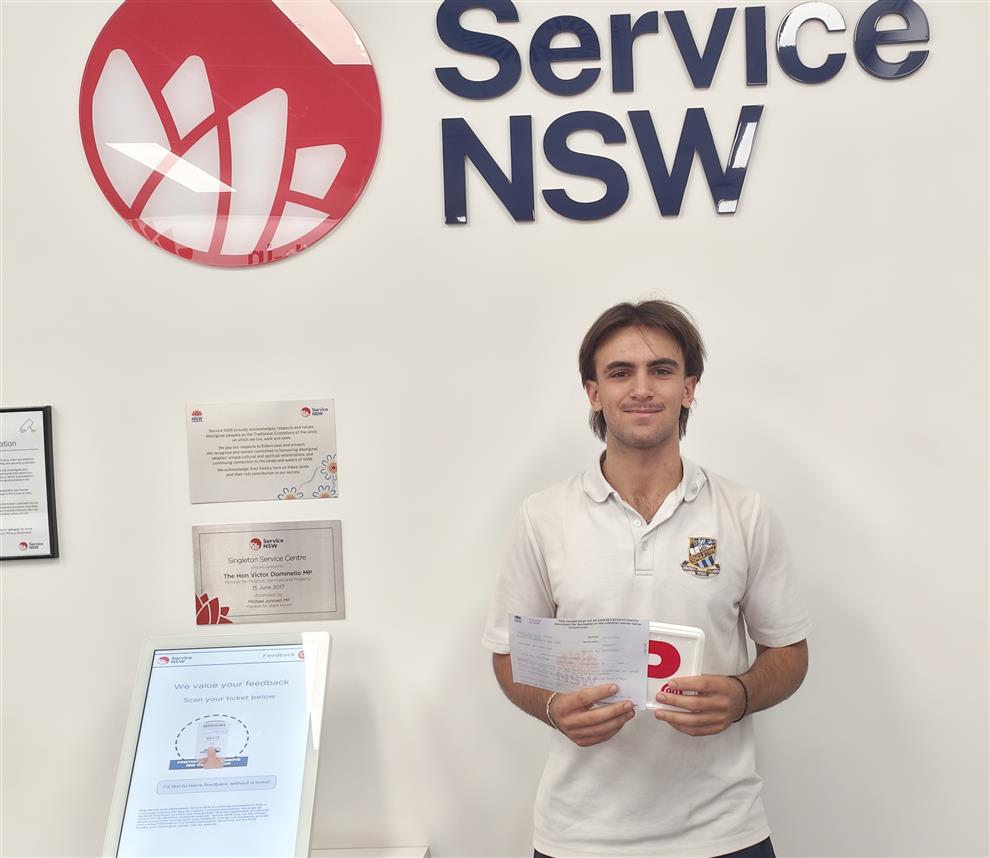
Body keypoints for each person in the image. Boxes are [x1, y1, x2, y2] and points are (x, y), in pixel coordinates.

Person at [483, 300, 810, 858]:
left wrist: (740, 695)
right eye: (620, 372)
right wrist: (552, 708)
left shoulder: (744, 512)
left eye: (661, 370)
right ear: (593, 393)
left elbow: (789, 652)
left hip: (724, 831)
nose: (642, 388)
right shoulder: (543, 516)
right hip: (580, 836)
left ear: (688, 388)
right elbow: (510, 654)